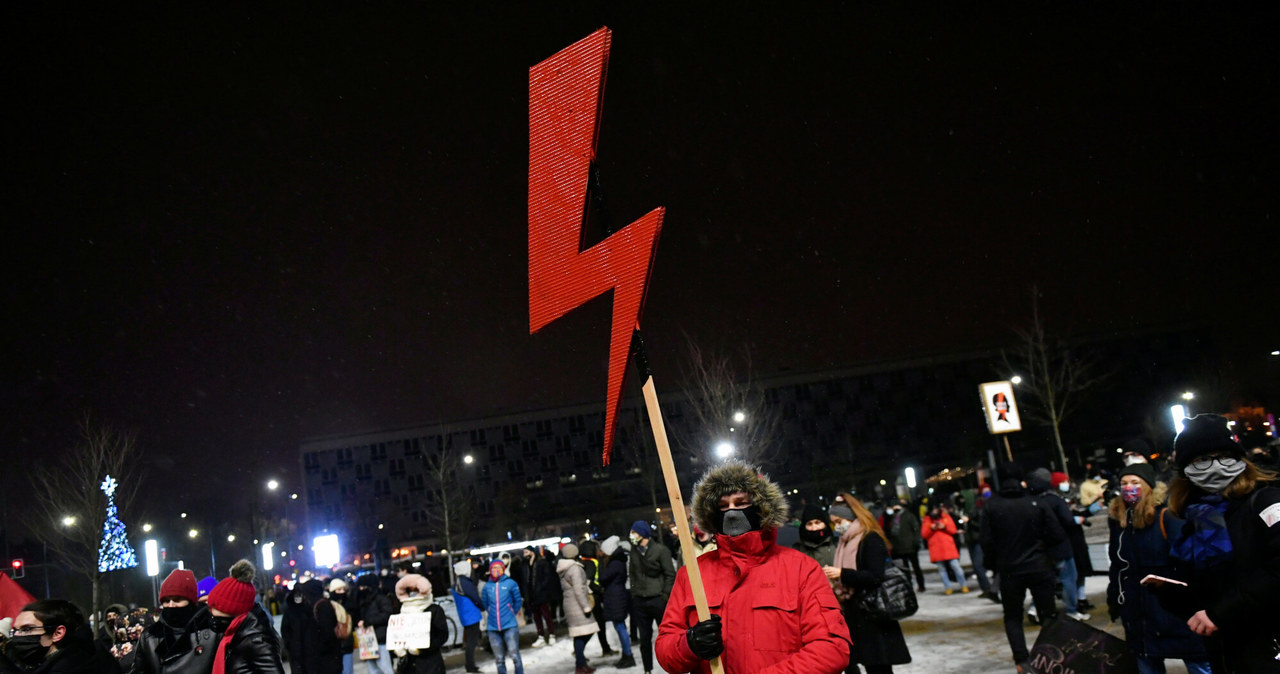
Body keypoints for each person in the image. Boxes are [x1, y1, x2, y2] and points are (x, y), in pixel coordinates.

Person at [656, 460, 850, 674]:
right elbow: (666, 651)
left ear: (760, 509)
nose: (731, 512)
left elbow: (831, 649)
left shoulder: (801, 569)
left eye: (741, 504)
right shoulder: (692, 574)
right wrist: (689, 645)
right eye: (722, 506)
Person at [1162, 414, 1280, 672]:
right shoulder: (1196, 517)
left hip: (1268, 645)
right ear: (1186, 470)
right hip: (1226, 652)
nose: (1216, 466)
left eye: (1224, 456)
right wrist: (1172, 596)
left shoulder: (1265, 502)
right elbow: (1208, 586)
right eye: (1202, 460)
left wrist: (1221, 613)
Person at [1105, 462, 1211, 674]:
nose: (1129, 488)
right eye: (1124, 483)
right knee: (1147, 662)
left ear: (1149, 486)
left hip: (1171, 609)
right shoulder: (1120, 522)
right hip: (1138, 614)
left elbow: (1188, 561)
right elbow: (1118, 566)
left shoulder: (1166, 516)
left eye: (1135, 482)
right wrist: (1115, 597)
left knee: (1196, 661)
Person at [981, 462, 1067, 673]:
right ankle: (1050, 657)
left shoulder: (991, 506)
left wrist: (994, 565)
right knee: (1048, 615)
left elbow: (986, 541)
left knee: (1012, 616)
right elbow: (1057, 534)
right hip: (1039, 566)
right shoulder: (1035, 502)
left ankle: (1022, 661)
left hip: (1010, 569)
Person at [825, 494, 910, 674]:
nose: (837, 526)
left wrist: (842, 574)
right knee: (869, 664)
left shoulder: (870, 538)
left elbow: (875, 576)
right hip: (858, 614)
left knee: (879, 668)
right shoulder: (845, 541)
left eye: (839, 521)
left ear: (851, 517)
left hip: (874, 613)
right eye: (834, 523)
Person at [1028, 467, 1089, 621]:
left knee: (1047, 582)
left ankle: (1035, 608)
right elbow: (1067, 520)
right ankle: (1071, 610)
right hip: (1061, 546)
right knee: (1069, 578)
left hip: (1043, 549)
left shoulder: (1034, 501)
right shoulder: (1055, 500)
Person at [204, 560, 285, 674]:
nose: (211, 612)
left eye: (215, 607)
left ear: (232, 610)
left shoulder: (257, 640)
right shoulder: (235, 635)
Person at [0, 599, 122, 674]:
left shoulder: (77, 666)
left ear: (58, 633)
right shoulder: (83, 654)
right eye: (15, 630)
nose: (17, 636)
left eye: (27, 629)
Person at [129, 569, 208, 674]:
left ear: (191, 601)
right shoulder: (150, 637)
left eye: (177, 600)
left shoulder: (212, 629)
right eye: (166, 601)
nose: (171, 605)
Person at [627, 520, 675, 674]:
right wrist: (634, 593)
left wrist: (665, 595)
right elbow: (632, 574)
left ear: (642, 534)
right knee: (644, 639)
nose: (632, 535)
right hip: (640, 600)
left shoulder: (660, 550)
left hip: (658, 599)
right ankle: (647, 669)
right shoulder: (634, 551)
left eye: (634, 532)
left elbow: (669, 574)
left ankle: (671, 667)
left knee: (666, 637)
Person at [389, 575, 448, 674]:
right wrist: (398, 648)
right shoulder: (401, 611)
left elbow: (442, 635)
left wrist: (422, 649)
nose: (413, 593)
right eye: (409, 590)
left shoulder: (434, 610)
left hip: (431, 665)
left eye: (416, 590)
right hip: (410, 666)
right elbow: (397, 635)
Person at [557, 543, 600, 674]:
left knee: (579, 634)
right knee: (585, 633)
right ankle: (580, 664)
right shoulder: (574, 568)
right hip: (578, 604)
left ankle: (580, 663)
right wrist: (586, 607)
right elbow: (578, 590)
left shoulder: (563, 567)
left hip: (569, 604)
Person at [479, 560, 524, 674]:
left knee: (514, 655)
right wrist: (490, 610)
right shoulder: (487, 587)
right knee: (499, 659)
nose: (496, 570)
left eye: (498, 568)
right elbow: (484, 603)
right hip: (493, 627)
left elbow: (517, 600)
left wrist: (511, 611)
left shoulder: (511, 583)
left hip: (510, 625)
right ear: (490, 571)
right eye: (493, 568)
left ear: (503, 569)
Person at [598, 537, 635, 669]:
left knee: (620, 627)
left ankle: (628, 655)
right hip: (615, 596)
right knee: (620, 627)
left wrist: (602, 563)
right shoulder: (618, 561)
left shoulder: (615, 563)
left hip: (616, 597)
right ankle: (626, 654)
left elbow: (603, 577)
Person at [576, 540, 613, 659]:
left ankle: (603, 648)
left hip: (591, 597)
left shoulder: (582, 562)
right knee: (598, 625)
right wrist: (600, 590)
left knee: (596, 625)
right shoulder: (592, 563)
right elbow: (589, 581)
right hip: (594, 598)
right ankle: (581, 651)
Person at [921, 505, 968, 595]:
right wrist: (932, 528)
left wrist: (944, 527)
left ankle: (964, 585)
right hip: (936, 548)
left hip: (948, 547)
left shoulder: (945, 517)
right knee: (942, 569)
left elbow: (953, 530)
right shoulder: (927, 520)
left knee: (956, 567)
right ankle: (948, 587)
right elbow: (924, 534)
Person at [882, 499, 925, 593]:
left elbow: (916, 529)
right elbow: (887, 531)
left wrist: (916, 543)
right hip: (898, 548)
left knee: (916, 567)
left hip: (910, 546)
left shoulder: (908, 515)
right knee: (904, 569)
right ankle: (908, 585)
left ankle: (921, 585)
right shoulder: (891, 517)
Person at [353, 575, 394, 674]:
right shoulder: (363, 600)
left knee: (385, 667)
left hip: (380, 638)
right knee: (373, 669)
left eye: (363, 587)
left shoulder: (380, 599)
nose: (361, 589)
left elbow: (387, 615)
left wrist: (367, 622)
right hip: (368, 639)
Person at [280, 579, 322, 674]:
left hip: (307, 651)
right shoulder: (292, 611)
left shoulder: (308, 609)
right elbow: (285, 631)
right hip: (298, 651)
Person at [448, 561, 483, 674]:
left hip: (464, 615)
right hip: (472, 614)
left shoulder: (457, 583)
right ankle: (470, 666)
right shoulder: (466, 583)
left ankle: (470, 665)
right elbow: (475, 597)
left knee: (470, 641)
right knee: (472, 642)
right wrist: (483, 607)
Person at [520, 547, 557, 648]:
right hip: (531, 595)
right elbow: (524, 579)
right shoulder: (525, 564)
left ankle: (551, 634)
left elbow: (546, 577)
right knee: (536, 617)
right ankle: (540, 636)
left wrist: (541, 588)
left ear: (532, 552)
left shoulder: (541, 562)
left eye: (526, 552)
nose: (525, 554)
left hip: (541, 594)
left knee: (546, 615)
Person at [793, 504, 837, 570]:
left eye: (817, 523)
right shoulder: (798, 549)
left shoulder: (837, 543)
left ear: (825, 524)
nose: (814, 528)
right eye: (809, 524)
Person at [327, 580, 355, 674]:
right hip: (334, 645)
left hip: (347, 643)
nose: (342, 592)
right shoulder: (328, 606)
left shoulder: (349, 603)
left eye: (343, 589)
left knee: (348, 671)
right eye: (339, 590)